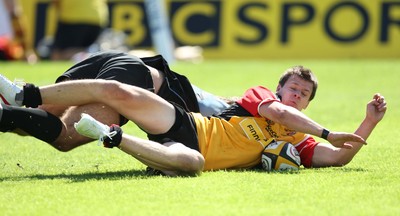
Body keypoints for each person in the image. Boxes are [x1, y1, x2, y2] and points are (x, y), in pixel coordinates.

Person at [0, 66, 386, 176]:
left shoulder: (298, 144)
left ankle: (112, 137)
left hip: (187, 150)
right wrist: (326, 130)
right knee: (116, 89)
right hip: (189, 125)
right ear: (279, 89)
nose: (297, 95)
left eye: (305, 93)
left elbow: (338, 158)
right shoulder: (261, 98)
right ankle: (27, 95)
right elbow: (278, 113)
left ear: (309, 101)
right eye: (294, 88)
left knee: (194, 164)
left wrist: (367, 123)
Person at [0, 51, 229, 152]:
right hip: (137, 81)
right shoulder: (232, 120)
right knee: (66, 136)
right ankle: (18, 96)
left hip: (120, 62)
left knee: (41, 114)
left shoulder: (224, 110)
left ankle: (9, 106)